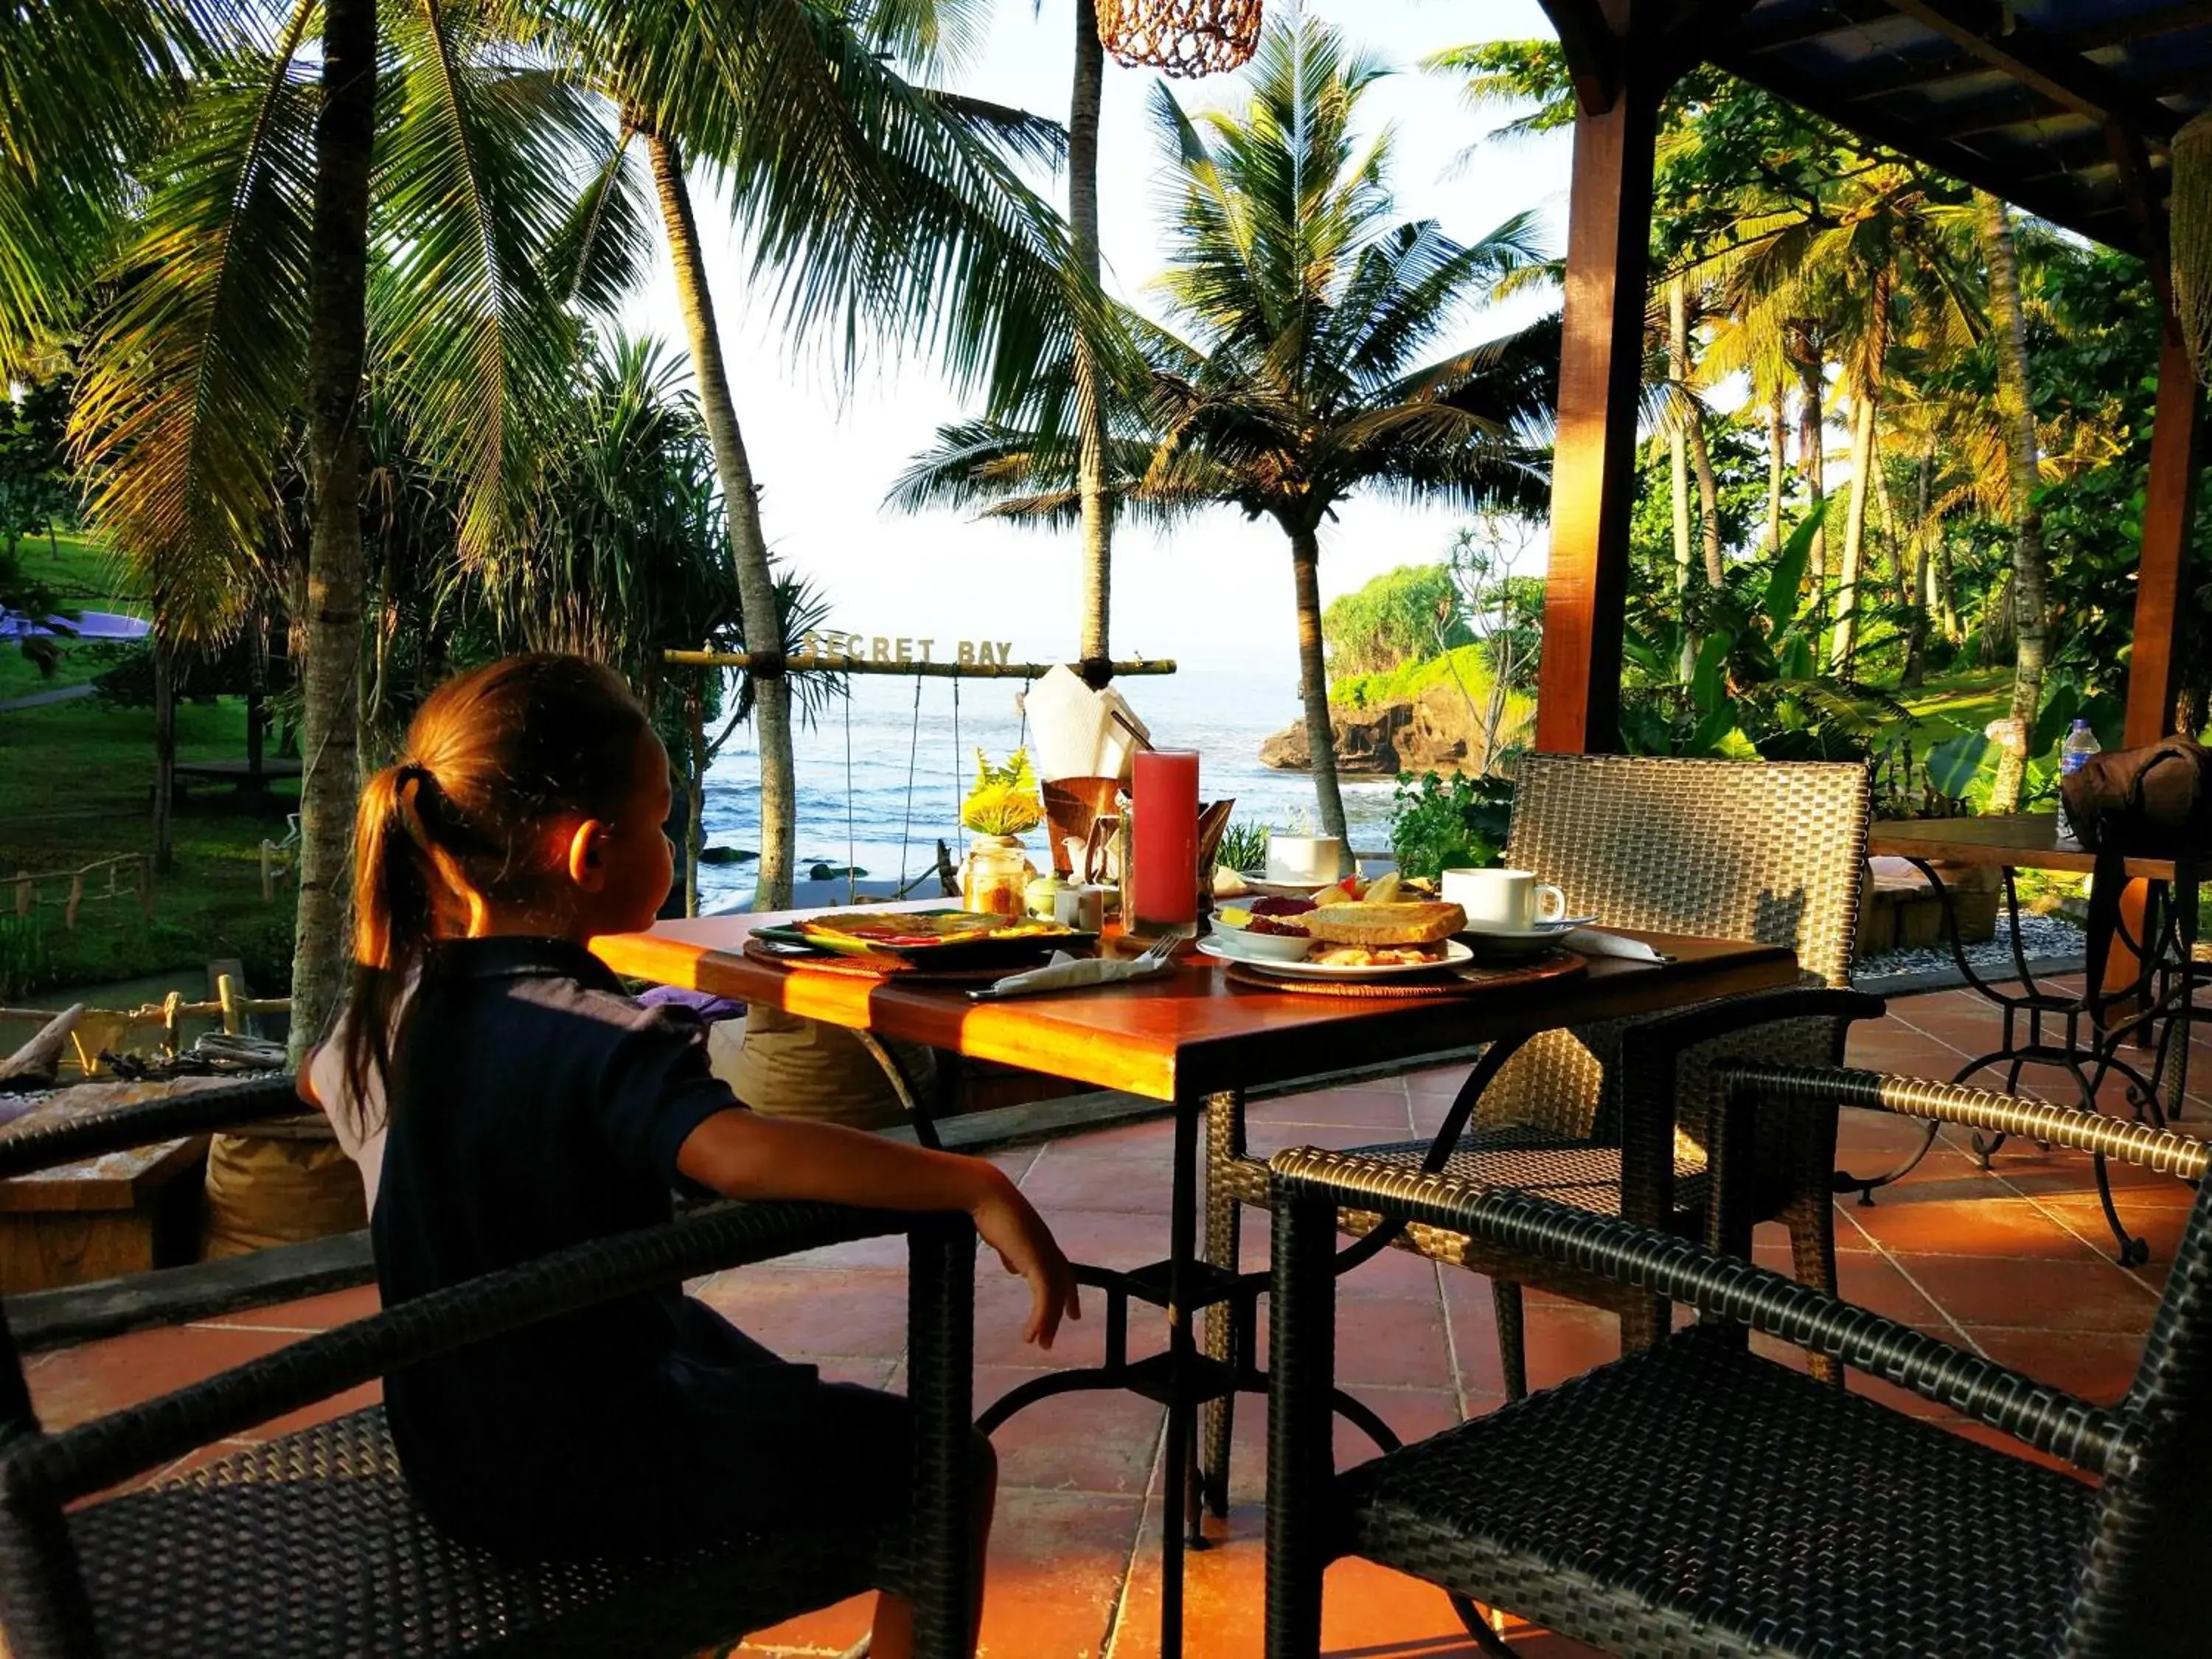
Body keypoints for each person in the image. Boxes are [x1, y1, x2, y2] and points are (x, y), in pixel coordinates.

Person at [299, 655, 1077, 1659]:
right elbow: (740, 1155)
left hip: (451, 1445)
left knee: (719, 1346)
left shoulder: (409, 997)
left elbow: (320, 1082)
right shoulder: (595, 1030)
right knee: (943, 1460)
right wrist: (970, 1178)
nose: (673, 844)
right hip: (584, 1465)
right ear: (589, 854)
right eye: (664, 822)